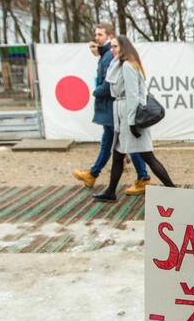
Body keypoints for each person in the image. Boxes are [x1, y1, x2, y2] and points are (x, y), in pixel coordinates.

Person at [93, 35, 175, 201]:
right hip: (124, 117)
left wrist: (131, 123)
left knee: (148, 157)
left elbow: (132, 95)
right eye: (111, 46)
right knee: (118, 155)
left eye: (115, 46)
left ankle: (173, 190)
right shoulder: (121, 65)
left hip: (130, 117)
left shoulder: (127, 66)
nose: (112, 49)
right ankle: (110, 191)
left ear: (123, 47)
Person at [73, 23, 152, 196]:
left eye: (100, 34)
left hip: (113, 109)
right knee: (115, 146)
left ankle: (142, 178)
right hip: (113, 109)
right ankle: (98, 178)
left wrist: (96, 91)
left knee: (123, 147)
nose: (97, 38)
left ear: (110, 37)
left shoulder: (112, 57)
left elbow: (111, 85)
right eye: (96, 34)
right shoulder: (108, 55)